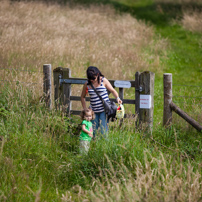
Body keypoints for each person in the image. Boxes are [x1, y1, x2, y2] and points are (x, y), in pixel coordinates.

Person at [81, 66, 122, 138]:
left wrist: (117, 98)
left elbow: (112, 90)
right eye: (90, 79)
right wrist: (85, 109)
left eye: (94, 78)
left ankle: (104, 146)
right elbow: (82, 97)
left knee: (104, 131)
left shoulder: (103, 80)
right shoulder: (87, 84)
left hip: (104, 110)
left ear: (97, 74)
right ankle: (92, 145)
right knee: (92, 131)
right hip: (93, 112)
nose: (92, 80)